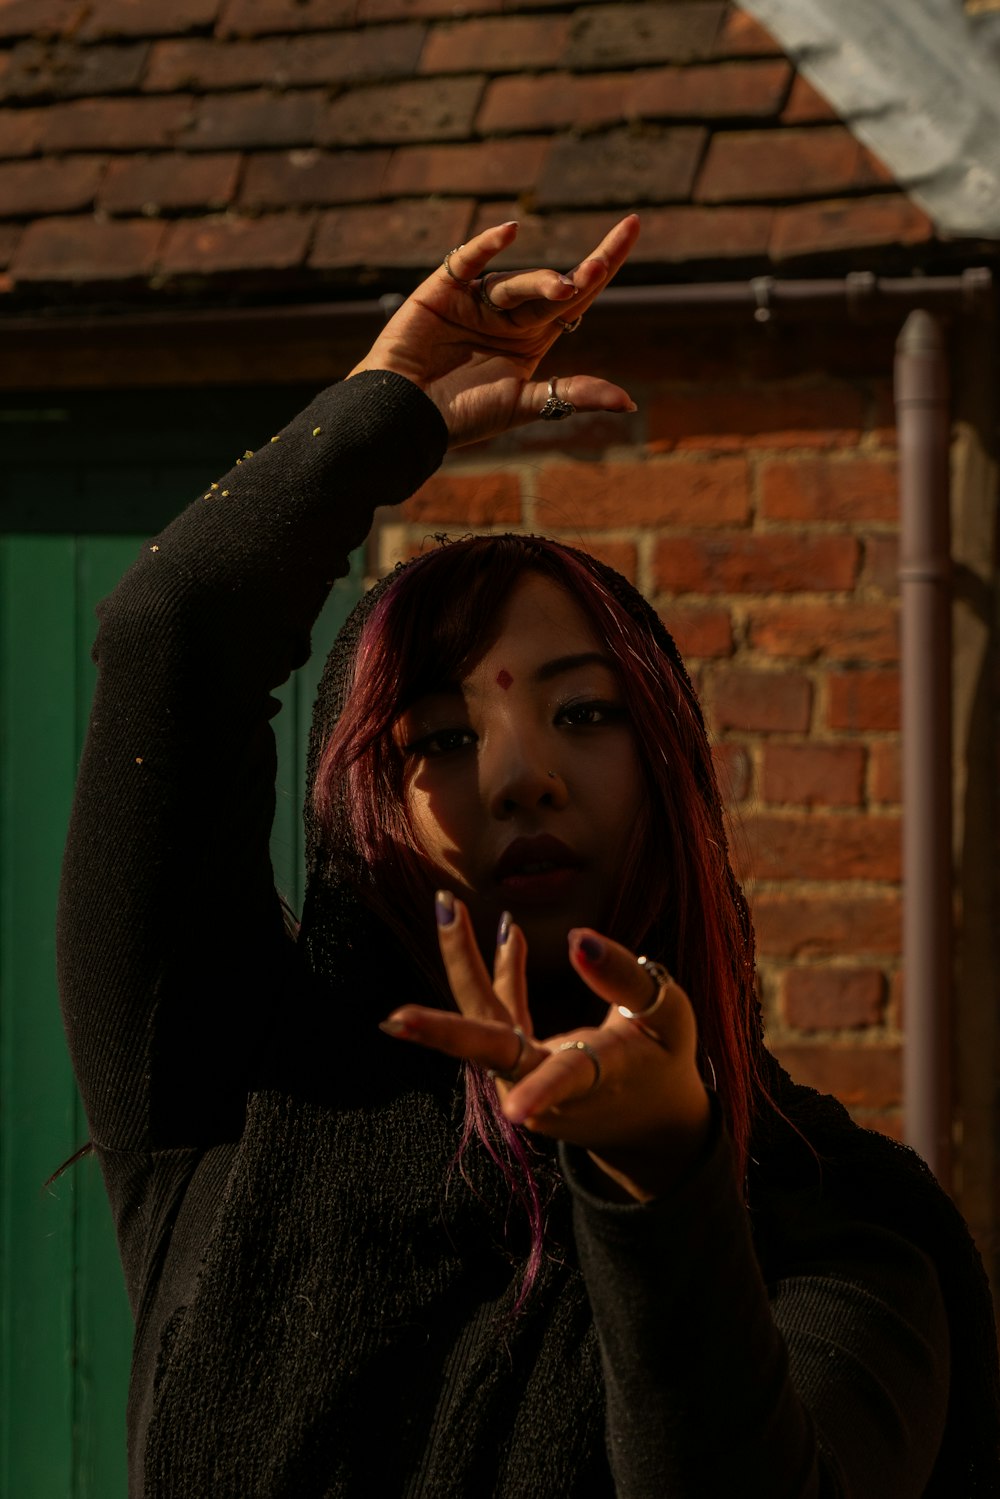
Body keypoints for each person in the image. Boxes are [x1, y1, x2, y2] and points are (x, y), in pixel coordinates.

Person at [57, 215, 999, 1499]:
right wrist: (377, 419)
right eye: (439, 733)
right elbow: (171, 636)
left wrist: (658, 1172)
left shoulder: (839, 1221)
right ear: (361, 800)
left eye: (585, 711)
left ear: (670, 767)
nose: (520, 774)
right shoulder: (235, 1092)